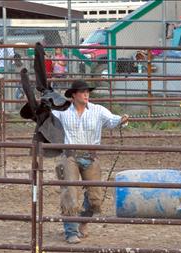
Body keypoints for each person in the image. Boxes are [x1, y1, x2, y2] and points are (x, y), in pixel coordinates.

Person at [52, 80, 129, 244]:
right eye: (82, 92)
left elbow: (113, 120)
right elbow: (46, 118)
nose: (86, 94)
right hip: (69, 154)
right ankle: (70, 232)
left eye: (87, 91)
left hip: (90, 155)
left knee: (95, 197)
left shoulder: (98, 110)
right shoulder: (62, 111)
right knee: (70, 192)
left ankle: (83, 221)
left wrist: (122, 119)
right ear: (73, 95)